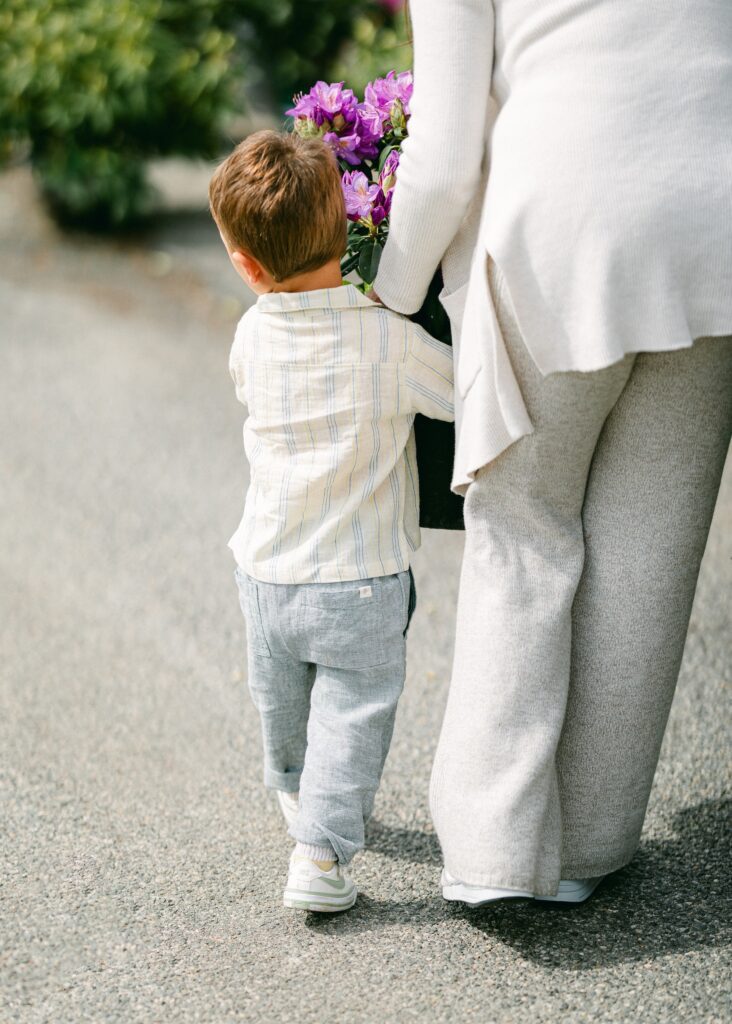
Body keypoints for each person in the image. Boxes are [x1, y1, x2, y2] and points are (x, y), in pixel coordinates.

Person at [372, 0, 732, 904]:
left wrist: (389, 291)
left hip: (561, 226)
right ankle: (589, 849)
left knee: (524, 521)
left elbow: (447, 152)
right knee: (651, 543)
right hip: (717, 226)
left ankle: (496, 854)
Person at [209, 130, 454, 912]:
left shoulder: (251, 333)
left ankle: (297, 791)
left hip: (267, 574)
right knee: (353, 712)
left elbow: (252, 391)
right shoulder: (388, 338)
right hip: (361, 583)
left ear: (247, 266)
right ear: (348, 232)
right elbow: (462, 397)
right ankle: (319, 854)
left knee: (280, 703)